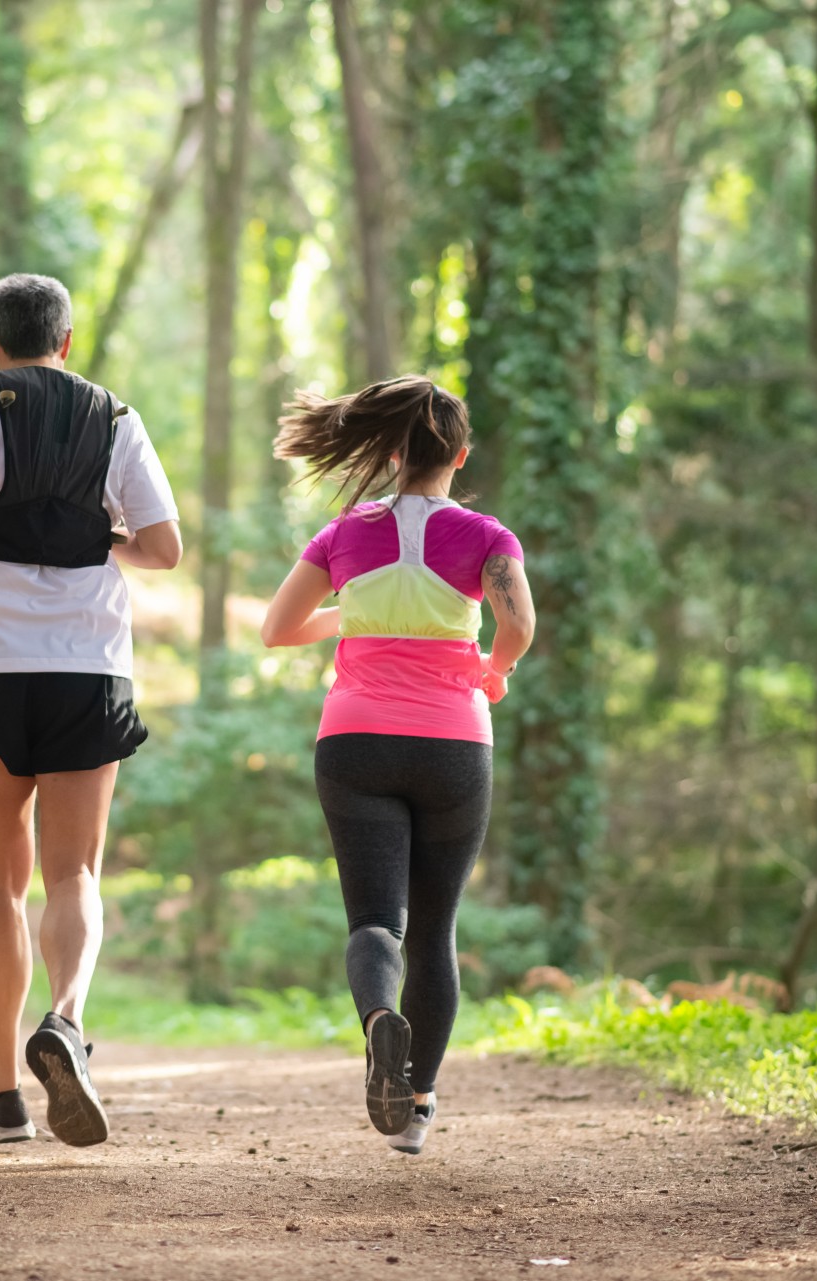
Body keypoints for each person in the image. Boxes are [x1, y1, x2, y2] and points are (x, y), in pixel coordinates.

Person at [0, 273, 182, 1147]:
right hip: (86, 665)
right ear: (66, 340)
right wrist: (94, 535)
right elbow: (165, 549)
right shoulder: (114, 418)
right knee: (76, 874)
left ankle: (3, 1087)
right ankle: (65, 1022)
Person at [259, 375, 535, 1155]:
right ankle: (415, 1104)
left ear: (387, 452)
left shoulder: (344, 532)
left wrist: (357, 609)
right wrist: (494, 666)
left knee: (375, 919)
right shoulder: (487, 535)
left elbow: (277, 629)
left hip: (356, 740)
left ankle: (381, 1023)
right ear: (460, 454)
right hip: (454, 744)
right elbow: (518, 623)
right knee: (435, 928)